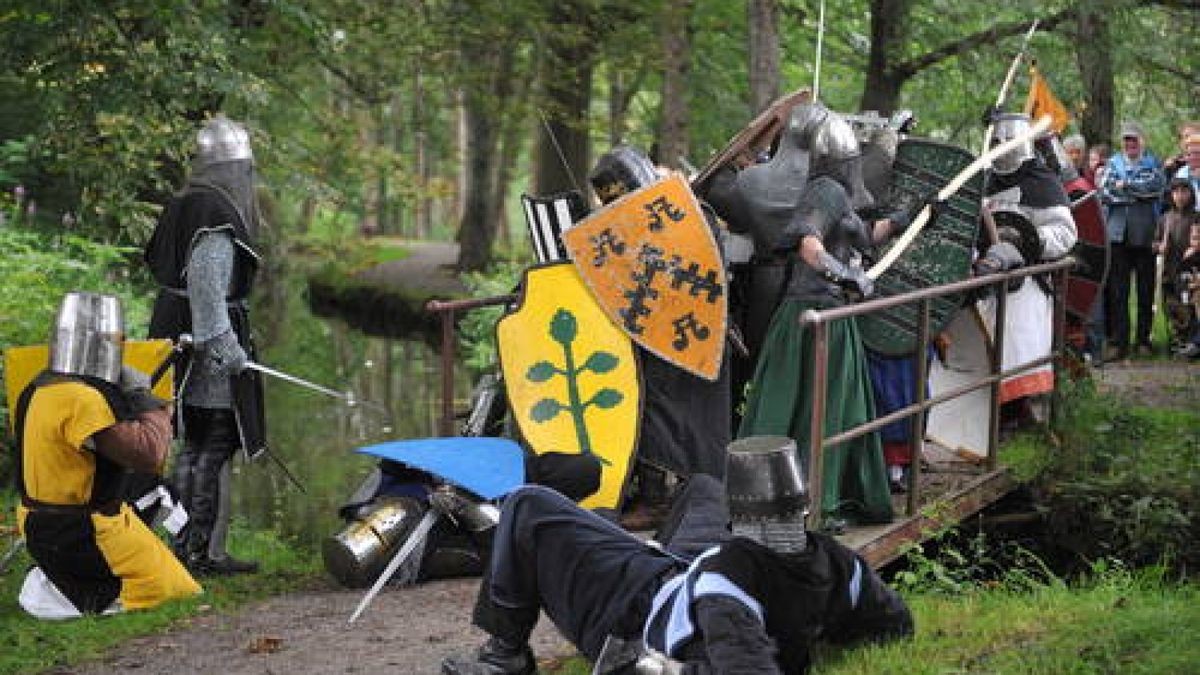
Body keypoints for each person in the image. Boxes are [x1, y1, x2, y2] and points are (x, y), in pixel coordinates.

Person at [439, 436, 913, 674]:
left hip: (634, 607)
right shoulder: (841, 563)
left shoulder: (726, 588)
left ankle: (505, 657)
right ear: (802, 506)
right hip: (683, 568)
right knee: (704, 485)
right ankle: (625, 534)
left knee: (527, 504)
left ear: (743, 519)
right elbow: (897, 625)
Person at [723, 102, 901, 529]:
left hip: (831, 314)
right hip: (812, 313)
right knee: (806, 410)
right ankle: (799, 503)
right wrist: (844, 274)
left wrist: (902, 222)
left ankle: (822, 497)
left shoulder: (835, 192)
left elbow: (860, 234)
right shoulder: (825, 190)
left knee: (837, 409)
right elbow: (808, 241)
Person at [14, 292, 201, 619]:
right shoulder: (81, 399)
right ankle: (62, 594)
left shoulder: (35, 389)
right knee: (175, 589)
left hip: (36, 525)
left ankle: (58, 582)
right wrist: (144, 397)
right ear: (107, 344)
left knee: (152, 535)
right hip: (81, 531)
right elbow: (150, 454)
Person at [144, 114, 266, 575]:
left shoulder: (185, 204)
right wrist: (227, 349)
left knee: (194, 443)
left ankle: (186, 547)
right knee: (211, 443)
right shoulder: (212, 215)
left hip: (177, 336)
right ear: (235, 168)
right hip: (203, 347)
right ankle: (196, 552)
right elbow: (207, 291)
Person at [587, 145, 733, 518]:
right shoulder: (666, 210)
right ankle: (668, 493)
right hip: (668, 330)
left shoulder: (685, 214)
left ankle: (666, 499)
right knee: (658, 408)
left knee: (669, 410)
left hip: (691, 329)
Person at [977, 114, 1077, 426]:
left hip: (1027, 279)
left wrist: (1024, 244)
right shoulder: (985, 181)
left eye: (1005, 143)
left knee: (1019, 343)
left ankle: (1022, 413)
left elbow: (1065, 232)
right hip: (987, 277)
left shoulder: (1042, 182)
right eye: (995, 143)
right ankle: (989, 414)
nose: (1000, 149)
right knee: (983, 340)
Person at [1100, 121, 1165, 359]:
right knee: (1118, 291)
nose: (1130, 144)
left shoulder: (1153, 163)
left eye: (1134, 140)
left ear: (1142, 141)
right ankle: (1119, 342)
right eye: (1126, 140)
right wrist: (1134, 194)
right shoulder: (1113, 163)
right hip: (1117, 235)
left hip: (1145, 235)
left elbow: (1155, 189)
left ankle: (1144, 340)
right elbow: (1105, 191)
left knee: (1146, 290)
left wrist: (1125, 186)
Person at [1157, 177, 1197, 352]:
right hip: (1169, 271)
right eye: (1176, 192)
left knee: (1189, 306)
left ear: (1191, 194)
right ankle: (1177, 340)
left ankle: (1192, 341)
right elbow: (1154, 242)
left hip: (1190, 270)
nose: (1180, 196)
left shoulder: (1197, 217)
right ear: (1171, 195)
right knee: (1172, 305)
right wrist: (1160, 246)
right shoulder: (1165, 218)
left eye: (1184, 191)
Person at [1174, 222, 1200, 359]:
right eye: (1194, 238)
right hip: (1191, 298)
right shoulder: (1189, 257)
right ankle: (1191, 343)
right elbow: (1181, 277)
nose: (1197, 242)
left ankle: (1195, 345)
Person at [1171, 133, 1200, 210]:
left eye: (1197, 153)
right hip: (1189, 217)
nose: (1193, 157)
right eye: (1189, 154)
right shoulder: (1182, 173)